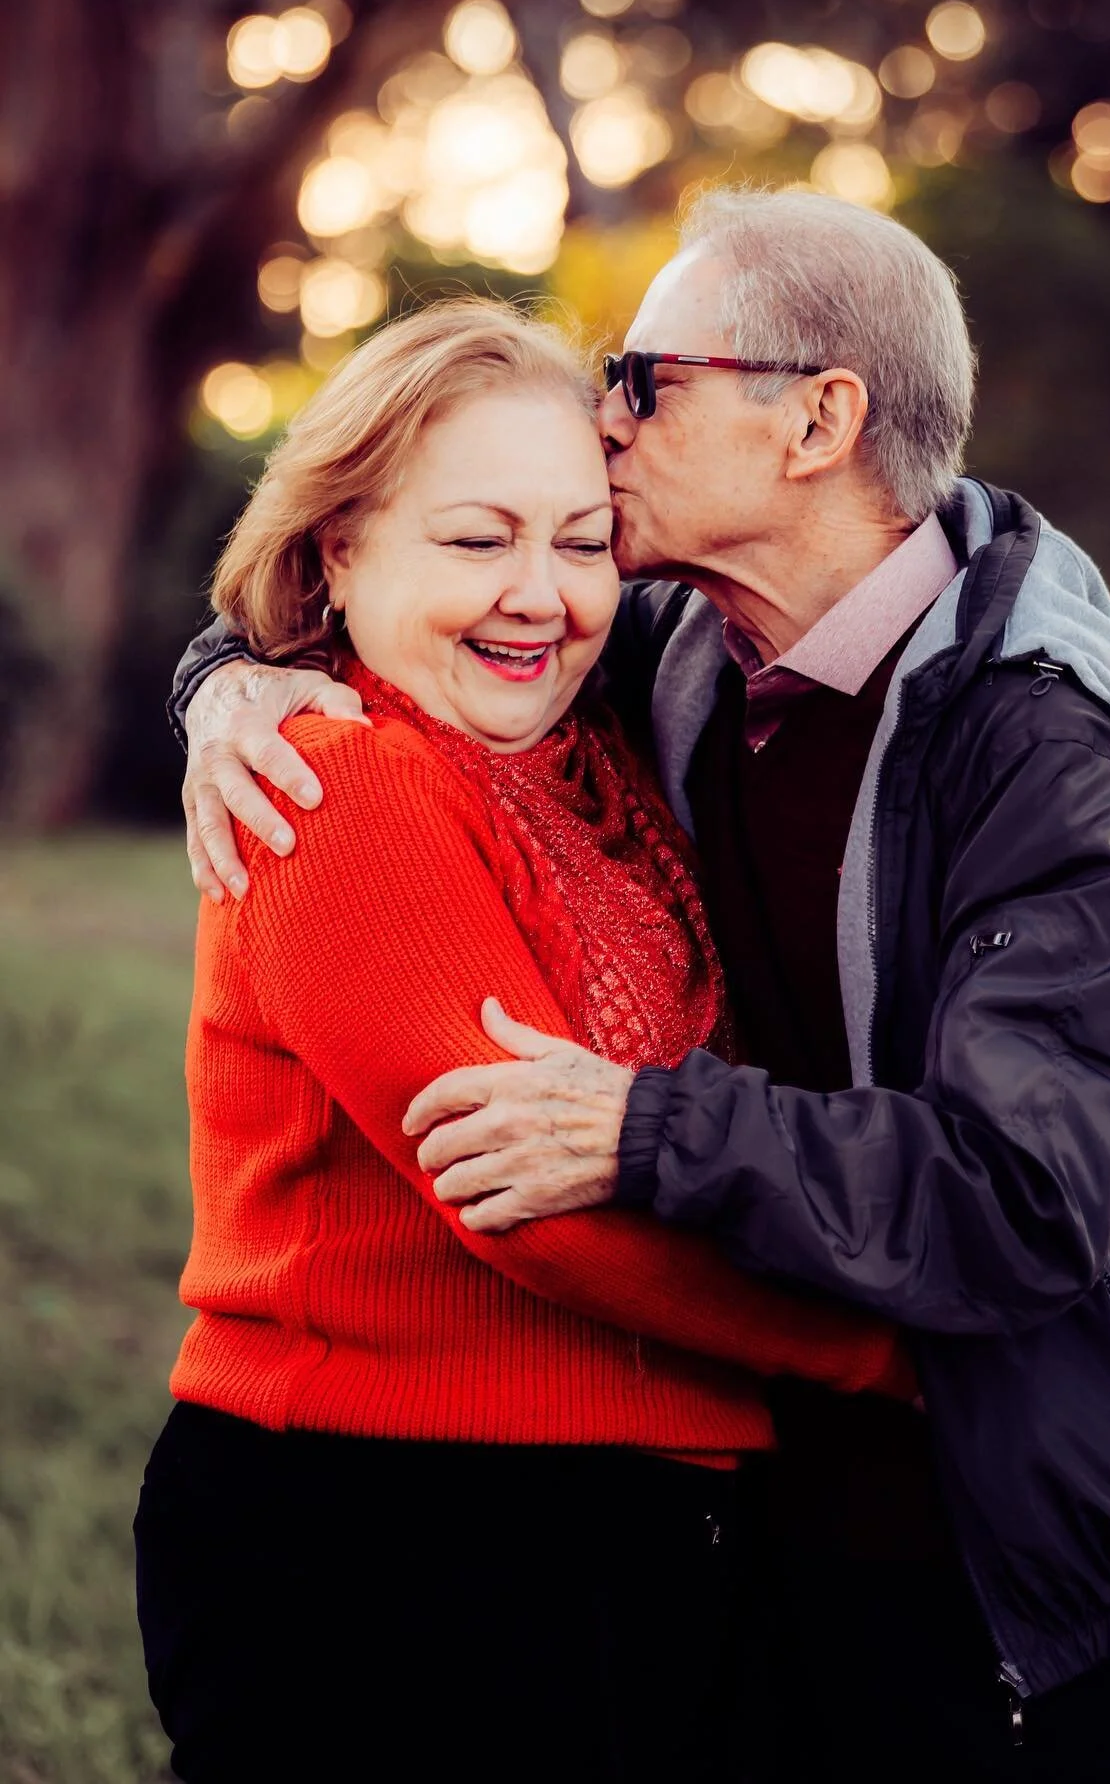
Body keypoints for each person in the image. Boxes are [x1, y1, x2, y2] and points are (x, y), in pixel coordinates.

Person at [172, 189, 1110, 1783]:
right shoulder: (681, 643)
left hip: (990, 1527)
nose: (603, 424)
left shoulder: (1042, 751)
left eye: (647, 379)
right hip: (755, 1516)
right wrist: (226, 681)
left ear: (818, 419)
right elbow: (402, 581)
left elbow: (1033, 1187)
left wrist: (650, 1130)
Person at [137, 296, 916, 1784]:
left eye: (579, 542)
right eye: (477, 539)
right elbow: (538, 1207)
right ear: (340, 552)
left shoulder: (599, 759)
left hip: (635, 1517)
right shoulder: (332, 783)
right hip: (389, 1530)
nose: (540, 595)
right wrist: (901, 1358)